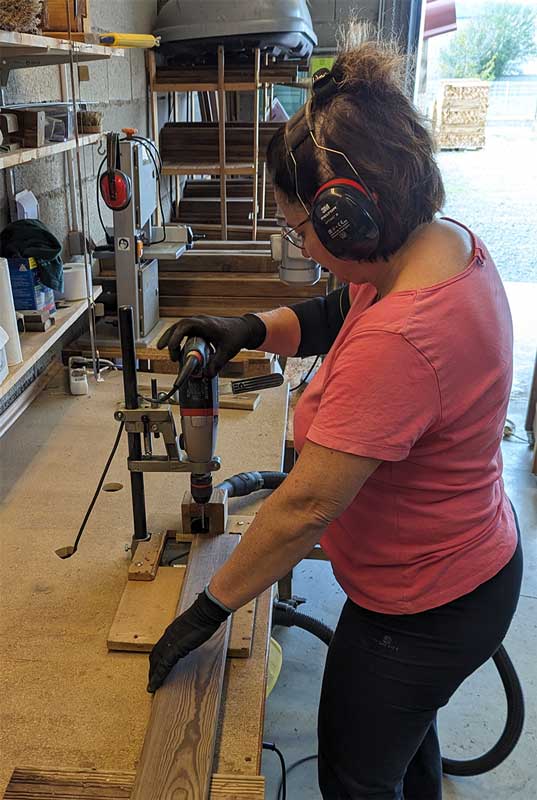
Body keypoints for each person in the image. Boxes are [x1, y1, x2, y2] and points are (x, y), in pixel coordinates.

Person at [148, 37, 522, 800]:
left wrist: (208, 609)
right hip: (459, 569)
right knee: (399, 746)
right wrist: (250, 327)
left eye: (301, 229)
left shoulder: (402, 341)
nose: (304, 247)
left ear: (350, 219)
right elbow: (329, 310)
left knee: (355, 779)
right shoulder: (435, 245)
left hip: (420, 609)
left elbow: (306, 507)